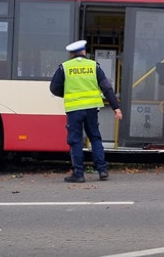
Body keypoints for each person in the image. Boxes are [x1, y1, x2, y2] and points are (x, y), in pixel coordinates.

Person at [50, 40, 123, 183]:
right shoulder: (93, 66)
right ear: (84, 52)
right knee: (95, 137)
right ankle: (102, 170)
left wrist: (67, 93)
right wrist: (116, 108)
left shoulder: (64, 67)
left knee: (75, 141)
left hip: (74, 110)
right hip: (91, 109)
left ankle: (78, 174)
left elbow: (54, 88)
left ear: (71, 53)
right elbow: (106, 88)